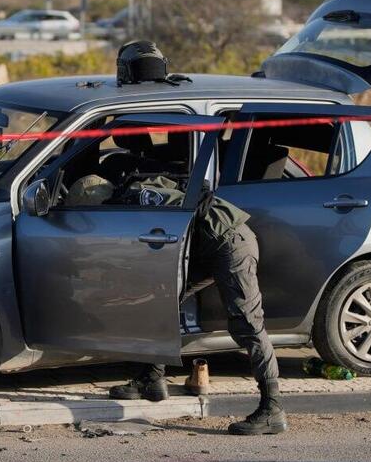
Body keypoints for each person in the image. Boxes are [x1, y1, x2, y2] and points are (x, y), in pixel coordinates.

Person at [104, 178, 288, 436]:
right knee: (163, 300)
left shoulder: (135, 197)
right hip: (208, 243)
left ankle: (272, 408)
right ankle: (152, 378)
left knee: (247, 323)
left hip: (230, 241)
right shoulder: (142, 188)